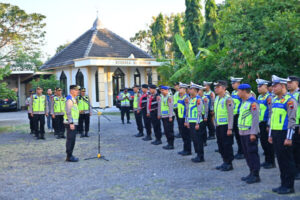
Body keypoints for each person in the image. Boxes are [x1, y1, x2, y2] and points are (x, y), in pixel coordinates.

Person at [268, 75, 297, 194]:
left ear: (283, 86)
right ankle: (283, 184)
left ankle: (289, 186)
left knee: (287, 161)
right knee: (280, 160)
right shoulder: (275, 100)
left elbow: (292, 120)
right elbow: (272, 118)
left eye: (276, 86)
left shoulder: (290, 100)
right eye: (273, 86)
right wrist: (270, 134)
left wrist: (289, 137)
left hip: (285, 134)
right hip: (275, 133)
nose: (273, 88)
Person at [237, 84, 261, 184]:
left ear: (244, 91)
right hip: (243, 132)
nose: (237, 93)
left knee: (252, 153)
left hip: (250, 132)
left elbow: (255, 119)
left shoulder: (253, 103)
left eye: (239, 91)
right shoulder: (244, 102)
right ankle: (251, 172)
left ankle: (256, 175)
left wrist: (253, 133)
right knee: (247, 154)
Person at [214, 80, 234, 171]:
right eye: (215, 87)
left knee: (227, 145)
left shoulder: (228, 99)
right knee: (220, 144)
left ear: (224, 88)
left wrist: (230, 128)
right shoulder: (217, 98)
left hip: (226, 126)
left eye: (218, 87)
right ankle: (224, 161)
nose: (215, 89)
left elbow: (230, 114)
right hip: (219, 125)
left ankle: (229, 163)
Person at [256, 79, 275, 169]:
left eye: (260, 86)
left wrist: (269, 124)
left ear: (266, 87)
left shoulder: (269, 97)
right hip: (260, 122)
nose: (258, 88)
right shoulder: (259, 97)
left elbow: (271, 112)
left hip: (266, 123)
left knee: (268, 143)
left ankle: (271, 162)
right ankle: (267, 160)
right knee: (263, 142)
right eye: (258, 86)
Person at [185, 82, 205, 162]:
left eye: (191, 89)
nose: (190, 90)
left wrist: (197, 123)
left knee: (198, 139)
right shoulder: (191, 99)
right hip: (191, 122)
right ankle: (197, 154)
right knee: (194, 139)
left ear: (196, 90)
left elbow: (199, 112)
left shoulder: (198, 99)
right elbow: (188, 111)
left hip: (197, 123)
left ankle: (200, 156)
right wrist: (187, 121)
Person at [287, 76, 300, 180]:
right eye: (288, 82)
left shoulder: (298, 94)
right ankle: (294, 169)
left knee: (297, 150)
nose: (288, 84)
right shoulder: (288, 95)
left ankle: (298, 171)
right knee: (291, 150)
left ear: (297, 83)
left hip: (297, 125)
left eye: (291, 82)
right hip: (289, 125)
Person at [64, 85, 80, 162]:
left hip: (73, 122)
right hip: (70, 122)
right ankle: (69, 156)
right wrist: (71, 123)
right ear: (71, 91)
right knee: (71, 139)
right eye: (76, 90)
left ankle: (70, 155)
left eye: (78, 90)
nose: (78, 91)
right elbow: (68, 112)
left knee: (72, 139)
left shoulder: (73, 99)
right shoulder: (69, 100)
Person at [230, 77, 245, 160]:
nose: (232, 85)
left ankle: (242, 151)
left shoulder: (243, 92)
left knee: (240, 134)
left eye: (234, 83)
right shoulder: (233, 92)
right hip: (234, 115)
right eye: (232, 83)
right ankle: (240, 150)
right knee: (236, 134)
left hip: (240, 115)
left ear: (239, 83)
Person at [158, 86, 175, 150]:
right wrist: (159, 114)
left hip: (169, 116)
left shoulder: (169, 97)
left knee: (169, 131)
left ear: (167, 90)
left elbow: (171, 107)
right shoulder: (161, 97)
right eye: (161, 90)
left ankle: (171, 144)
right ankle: (168, 143)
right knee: (166, 131)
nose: (162, 91)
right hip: (164, 116)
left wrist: (170, 116)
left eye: (163, 90)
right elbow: (160, 106)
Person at [177, 82, 191, 155]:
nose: (179, 89)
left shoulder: (186, 98)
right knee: (183, 134)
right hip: (180, 117)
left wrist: (186, 120)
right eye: (179, 88)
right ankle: (185, 149)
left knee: (186, 135)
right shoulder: (180, 97)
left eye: (180, 88)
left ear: (184, 89)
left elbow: (187, 110)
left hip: (184, 118)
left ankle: (188, 150)